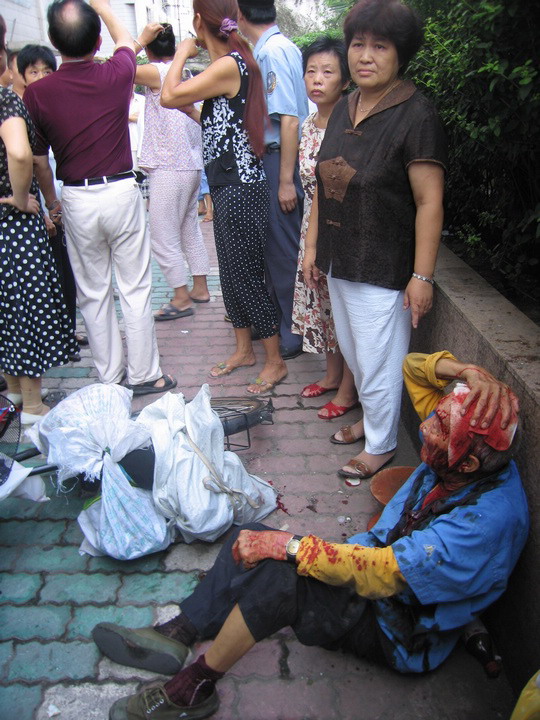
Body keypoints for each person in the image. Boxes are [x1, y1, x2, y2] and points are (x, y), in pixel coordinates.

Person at [93, 350, 528, 720]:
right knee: (250, 533)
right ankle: (181, 630)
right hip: (379, 579)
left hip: (398, 632)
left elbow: (384, 573)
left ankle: (195, 687)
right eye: (436, 414)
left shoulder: (485, 521)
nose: (426, 425)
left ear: (467, 464)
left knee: (282, 572)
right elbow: (413, 367)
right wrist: (467, 373)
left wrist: (289, 547)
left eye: (439, 427)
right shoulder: (462, 454)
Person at [303, 0, 447, 479]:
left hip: (384, 263)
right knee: (356, 353)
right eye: (358, 44)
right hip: (339, 258)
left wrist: (422, 276)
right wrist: (312, 248)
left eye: (380, 46)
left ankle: (382, 444)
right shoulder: (345, 106)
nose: (365, 56)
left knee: (379, 360)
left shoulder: (416, 114)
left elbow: (429, 201)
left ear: (400, 54)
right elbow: (324, 181)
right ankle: (371, 421)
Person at [22, 0, 176, 396]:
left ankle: (109, 377)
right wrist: (104, 7)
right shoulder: (116, 73)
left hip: (75, 196)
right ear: (96, 42)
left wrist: (52, 202)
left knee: (93, 293)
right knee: (135, 288)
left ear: (54, 41)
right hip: (121, 191)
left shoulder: (36, 93)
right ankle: (145, 375)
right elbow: (125, 41)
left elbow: (39, 159)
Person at [161, 0, 287, 395]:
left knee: (245, 275)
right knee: (231, 275)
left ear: (199, 20)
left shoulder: (228, 65)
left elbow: (168, 95)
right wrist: (194, 113)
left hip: (241, 186)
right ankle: (244, 350)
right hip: (227, 183)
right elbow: (222, 125)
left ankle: (276, 361)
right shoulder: (230, 65)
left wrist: (182, 52)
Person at [0, 15, 77, 424]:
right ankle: (32, 405)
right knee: (25, 307)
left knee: (5, 309)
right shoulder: (6, 100)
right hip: (13, 226)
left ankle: (14, 392)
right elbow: (20, 153)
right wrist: (18, 198)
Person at [290, 37, 358, 421]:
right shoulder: (307, 124)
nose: (317, 79)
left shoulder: (349, 126)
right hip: (310, 227)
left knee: (343, 310)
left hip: (340, 229)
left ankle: (349, 389)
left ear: (345, 81)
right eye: (311, 71)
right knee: (322, 304)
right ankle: (332, 375)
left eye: (328, 72)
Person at [237, 0, 309, 361]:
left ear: (240, 14)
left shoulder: (271, 53)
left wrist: (284, 181)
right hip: (279, 158)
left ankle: (292, 334)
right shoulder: (278, 47)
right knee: (277, 247)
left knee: (283, 250)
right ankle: (281, 324)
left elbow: (289, 120)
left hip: (281, 159)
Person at [133, 22, 210, 319]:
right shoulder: (184, 72)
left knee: (163, 235)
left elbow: (119, 71)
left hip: (169, 165)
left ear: (150, 48)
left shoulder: (157, 71)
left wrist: (138, 42)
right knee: (189, 228)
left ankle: (181, 297)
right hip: (190, 164)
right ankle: (200, 288)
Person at [17, 43, 87, 363]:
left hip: (59, 198)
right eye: (34, 72)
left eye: (47, 71)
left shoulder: (53, 104)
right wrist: (48, 207)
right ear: (21, 75)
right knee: (45, 278)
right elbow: (32, 163)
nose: (41, 77)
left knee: (64, 271)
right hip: (35, 205)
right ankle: (53, 339)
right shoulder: (16, 111)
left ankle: (66, 333)